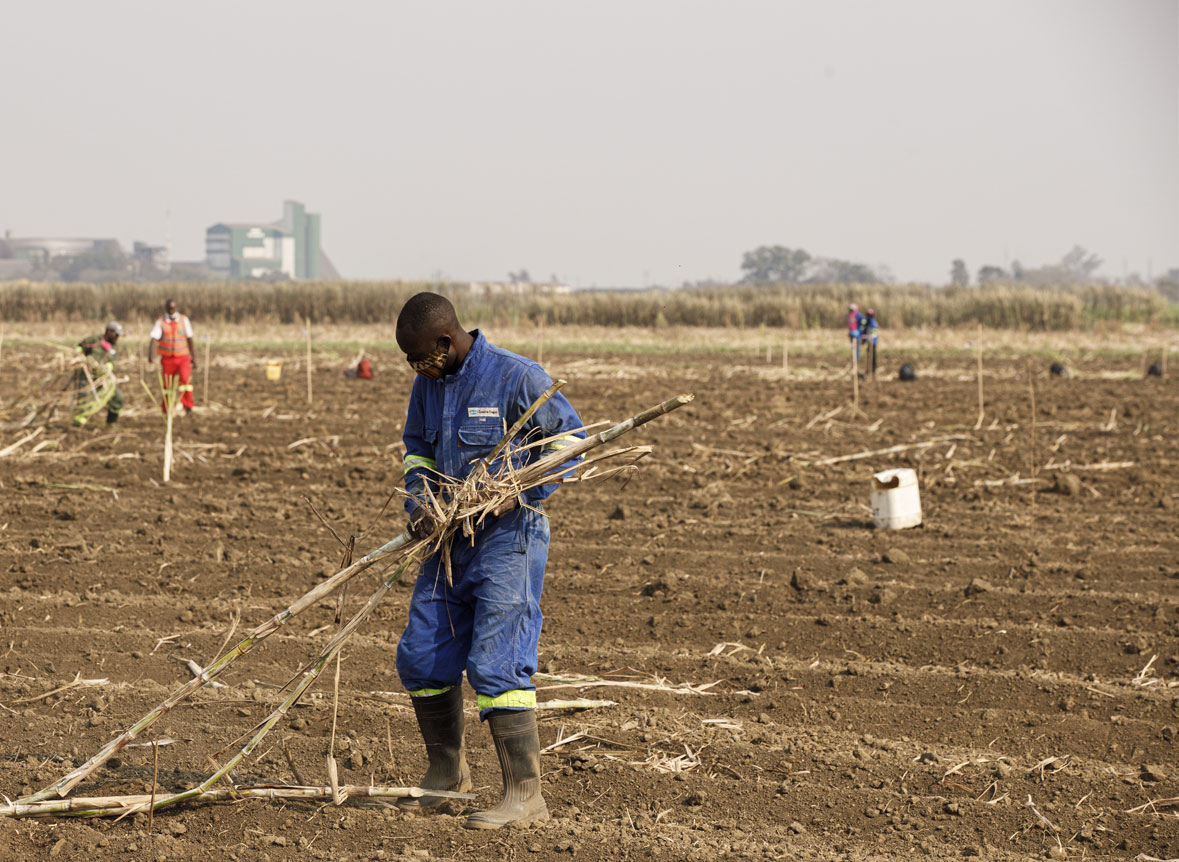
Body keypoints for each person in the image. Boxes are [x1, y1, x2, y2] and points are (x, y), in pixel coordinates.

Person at [394, 292, 583, 830]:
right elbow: (417, 451)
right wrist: (420, 503)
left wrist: (517, 489)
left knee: (498, 662)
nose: (415, 369)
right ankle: (446, 772)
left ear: (446, 342)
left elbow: (572, 442)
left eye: (420, 357)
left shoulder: (517, 376)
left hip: (508, 539)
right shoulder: (426, 384)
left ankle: (525, 795)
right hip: (447, 540)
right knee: (422, 655)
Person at [71, 322, 124, 426]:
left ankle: (111, 423)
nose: (117, 337)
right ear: (109, 332)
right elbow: (80, 347)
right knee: (84, 399)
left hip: (102, 377)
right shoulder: (94, 340)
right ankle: (77, 425)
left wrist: (108, 367)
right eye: (116, 335)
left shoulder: (115, 347)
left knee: (118, 397)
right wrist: (79, 355)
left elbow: (111, 362)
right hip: (86, 376)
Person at [148, 298, 195, 414]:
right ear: (166, 308)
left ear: (176, 308)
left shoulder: (184, 320)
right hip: (167, 359)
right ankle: (167, 408)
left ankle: (187, 406)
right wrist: (151, 355)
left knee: (185, 382)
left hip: (183, 357)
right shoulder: (161, 321)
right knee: (167, 385)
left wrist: (194, 357)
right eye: (169, 308)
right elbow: (154, 339)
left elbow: (190, 339)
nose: (171, 310)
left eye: (173, 308)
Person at [863, 308, 880, 377]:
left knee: (873, 356)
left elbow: (874, 333)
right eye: (868, 315)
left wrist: (869, 337)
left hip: (873, 342)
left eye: (870, 315)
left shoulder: (873, 323)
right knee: (868, 356)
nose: (868, 316)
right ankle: (868, 370)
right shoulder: (867, 322)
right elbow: (864, 330)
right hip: (869, 341)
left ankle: (873, 371)